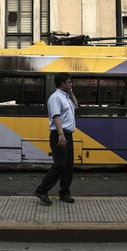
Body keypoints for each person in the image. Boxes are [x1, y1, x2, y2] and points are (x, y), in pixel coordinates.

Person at [34, 72, 78, 206]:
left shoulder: (66, 97)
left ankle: (64, 192)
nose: (71, 84)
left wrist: (71, 93)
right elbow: (56, 117)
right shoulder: (55, 98)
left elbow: (76, 106)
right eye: (69, 82)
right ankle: (41, 190)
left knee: (68, 166)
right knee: (60, 164)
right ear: (62, 84)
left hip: (67, 134)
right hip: (59, 134)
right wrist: (61, 135)